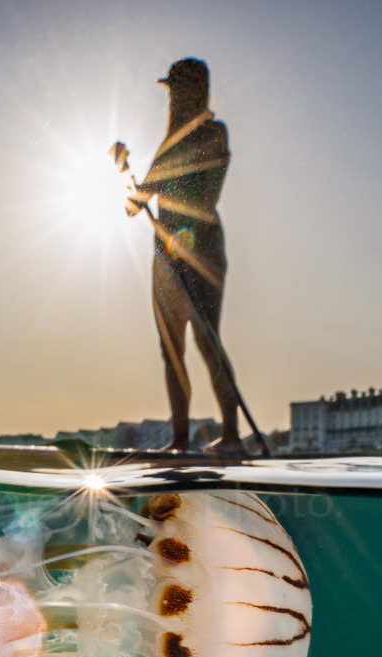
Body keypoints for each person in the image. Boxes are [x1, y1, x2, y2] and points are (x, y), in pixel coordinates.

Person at [128, 58, 240, 455]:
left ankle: (231, 436)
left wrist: (183, 241)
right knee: (170, 348)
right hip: (165, 254)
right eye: (172, 91)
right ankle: (179, 441)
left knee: (207, 340)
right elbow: (138, 201)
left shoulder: (213, 133)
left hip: (202, 250)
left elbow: (207, 196)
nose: (174, 98)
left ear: (195, 90)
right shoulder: (167, 143)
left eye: (178, 90)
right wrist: (126, 174)